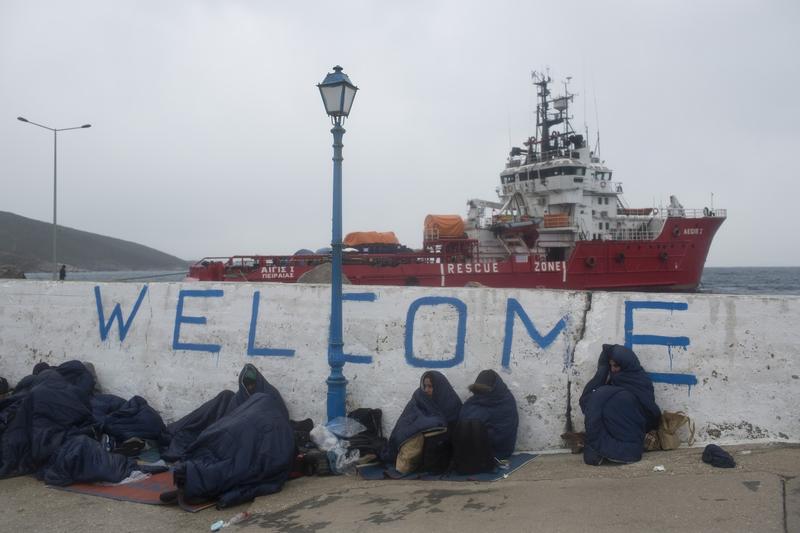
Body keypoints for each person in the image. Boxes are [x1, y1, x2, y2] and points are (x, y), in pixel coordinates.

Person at [579, 344, 661, 465]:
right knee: (602, 396)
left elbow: (648, 410)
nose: (613, 370)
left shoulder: (640, 380)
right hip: (612, 431)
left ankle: (623, 450)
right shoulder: (612, 381)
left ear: (626, 364)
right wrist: (602, 371)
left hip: (632, 430)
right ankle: (606, 449)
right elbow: (586, 401)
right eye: (610, 366)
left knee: (617, 398)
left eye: (616, 366)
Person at [381, 371, 462, 472]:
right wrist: (432, 424)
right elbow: (407, 422)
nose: (426, 390)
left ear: (440, 387)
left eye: (430, 386)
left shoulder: (451, 404)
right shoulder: (419, 399)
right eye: (425, 386)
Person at [457, 369, 519, 462]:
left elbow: (505, 431)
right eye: (478, 391)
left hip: (498, 451)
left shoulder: (505, 401)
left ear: (493, 389)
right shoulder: (474, 400)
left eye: (483, 390)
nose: (480, 394)